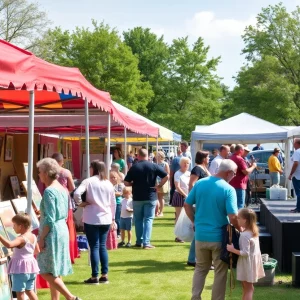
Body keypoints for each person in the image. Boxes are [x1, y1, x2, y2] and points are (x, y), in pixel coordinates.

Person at [184, 159, 240, 300]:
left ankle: (195, 297)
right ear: (228, 173)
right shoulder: (228, 189)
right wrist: (241, 229)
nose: (234, 176)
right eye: (234, 174)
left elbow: (187, 205)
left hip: (201, 236)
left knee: (200, 269)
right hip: (219, 238)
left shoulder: (200, 183)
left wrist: (195, 221)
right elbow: (233, 216)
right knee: (220, 273)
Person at [36, 158, 80, 300]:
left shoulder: (49, 191)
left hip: (52, 231)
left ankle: (70, 297)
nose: (39, 175)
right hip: (62, 228)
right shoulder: (62, 189)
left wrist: (41, 238)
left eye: (40, 172)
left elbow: (50, 218)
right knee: (55, 269)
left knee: (43, 270)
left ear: (47, 173)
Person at [74, 160, 116, 285]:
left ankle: (94, 276)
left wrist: (80, 203)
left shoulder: (89, 181)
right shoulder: (108, 183)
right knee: (102, 246)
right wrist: (113, 218)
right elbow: (113, 202)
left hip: (92, 217)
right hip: (106, 217)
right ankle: (104, 274)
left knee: (94, 247)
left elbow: (77, 193)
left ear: (93, 168)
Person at [124, 148, 168, 249]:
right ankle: (146, 242)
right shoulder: (153, 165)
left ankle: (139, 241)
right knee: (148, 219)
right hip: (150, 196)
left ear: (138, 156)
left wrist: (133, 184)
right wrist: (159, 185)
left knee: (138, 220)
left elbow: (126, 182)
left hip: (137, 196)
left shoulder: (134, 167)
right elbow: (166, 176)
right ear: (147, 156)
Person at [227, 208, 265, 300]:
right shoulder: (252, 231)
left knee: (249, 289)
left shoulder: (244, 235)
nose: (237, 219)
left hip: (247, 264)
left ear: (245, 220)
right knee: (247, 288)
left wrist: (232, 249)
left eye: (239, 218)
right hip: (251, 263)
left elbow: (245, 253)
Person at [0, 213, 39, 300]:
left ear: (20, 226)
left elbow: (9, 245)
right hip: (31, 268)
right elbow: (37, 250)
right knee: (29, 290)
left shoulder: (21, 238)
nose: (13, 227)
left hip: (21, 269)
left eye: (14, 225)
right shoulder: (33, 236)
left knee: (20, 292)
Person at [51, 152, 79, 264]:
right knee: (68, 227)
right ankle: (69, 253)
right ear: (62, 161)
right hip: (64, 200)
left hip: (52, 199)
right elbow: (72, 187)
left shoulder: (48, 172)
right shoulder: (65, 172)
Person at [187, 151, 211, 267]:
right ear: (203, 158)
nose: (209, 158)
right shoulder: (197, 169)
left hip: (203, 203)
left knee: (198, 232)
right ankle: (194, 258)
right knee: (198, 231)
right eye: (208, 157)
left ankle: (192, 258)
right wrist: (195, 200)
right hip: (198, 204)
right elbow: (191, 184)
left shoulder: (204, 168)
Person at [230, 144, 257, 209]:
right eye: (243, 150)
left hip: (232, 183)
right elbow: (246, 172)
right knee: (240, 205)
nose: (244, 152)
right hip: (239, 185)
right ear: (240, 150)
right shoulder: (239, 159)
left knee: (233, 205)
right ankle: (239, 219)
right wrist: (254, 166)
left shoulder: (231, 157)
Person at [173, 157, 191, 243]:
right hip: (179, 195)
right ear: (180, 164)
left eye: (187, 163)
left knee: (187, 216)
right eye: (184, 163)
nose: (186, 165)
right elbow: (178, 186)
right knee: (179, 216)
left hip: (188, 196)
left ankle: (185, 234)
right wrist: (185, 195)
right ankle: (178, 236)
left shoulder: (189, 173)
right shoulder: (177, 173)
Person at [110, 171, 124, 238]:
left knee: (117, 218)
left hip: (118, 203)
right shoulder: (108, 185)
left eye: (114, 177)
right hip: (110, 203)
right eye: (111, 177)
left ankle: (118, 232)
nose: (112, 179)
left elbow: (120, 194)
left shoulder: (119, 185)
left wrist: (112, 193)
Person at [155, 150, 170, 217]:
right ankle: (156, 211)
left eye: (157, 155)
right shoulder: (155, 164)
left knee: (160, 197)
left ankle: (161, 211)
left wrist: (163, 182)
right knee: (156, 197)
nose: (156, 157)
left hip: (162, 181)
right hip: (156, 181)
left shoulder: (165, 164)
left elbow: (168, 174)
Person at [289, 139, 300, 213]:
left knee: (298, 193)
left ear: (297, 144)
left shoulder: (297, 152)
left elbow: (296, 163)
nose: (293, 145)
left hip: (297, 175)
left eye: (294, 143)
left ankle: (298, 208)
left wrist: (291, 174)